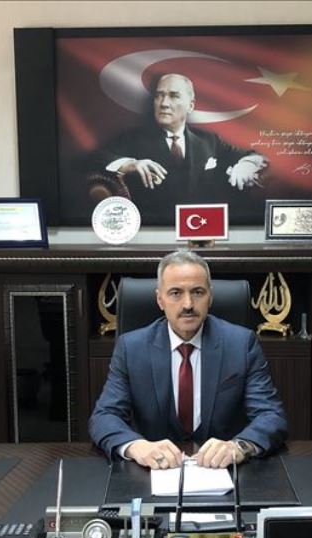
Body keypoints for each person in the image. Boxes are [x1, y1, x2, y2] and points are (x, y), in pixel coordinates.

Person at [88, 250, 287, 470]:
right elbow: (104, 416)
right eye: (175, 293)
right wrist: (137, 447)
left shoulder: (241, 344)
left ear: (210, 297)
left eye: (197, 292)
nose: (188, 304)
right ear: (160, 299)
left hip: (223, 471)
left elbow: (270, 415)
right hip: (152, 472)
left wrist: (239, 446)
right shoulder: (131, 348)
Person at [94, 74, 267, 224]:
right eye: (159, 96)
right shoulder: (134, 139)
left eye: (174, 96)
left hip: (200, 226)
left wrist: (247, 165)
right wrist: (130, 164)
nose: (164, 103)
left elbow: (254, 156)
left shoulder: (208, 140)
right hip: (152, 229)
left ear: (191, 105)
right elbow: (96, 159)